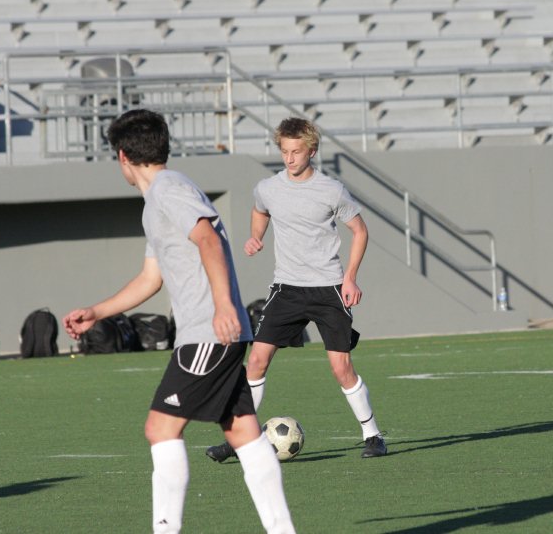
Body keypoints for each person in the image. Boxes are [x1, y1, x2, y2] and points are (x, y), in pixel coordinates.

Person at [62, 109, 295, 534]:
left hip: (208, 333)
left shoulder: (170, 189)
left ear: (122, 156)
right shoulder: (157, 201)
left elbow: (206, 237)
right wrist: (96, 312)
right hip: (215, 332)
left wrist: (224, 306)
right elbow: (152, 278)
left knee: (160, 428)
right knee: (244, 433)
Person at [206, 117, 387, 463]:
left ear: (311, 151)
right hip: (286, 289)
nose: (289, 159)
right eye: (284, 152)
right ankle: (239, 438)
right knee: (256, 360)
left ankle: (373, 435)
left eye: (296, 152)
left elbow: (360, 231)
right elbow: (260, 211)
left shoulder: (331, 190)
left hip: (329, 289)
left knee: (341, 367)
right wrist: (256, 236)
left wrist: (350, 278)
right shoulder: (268, 188)